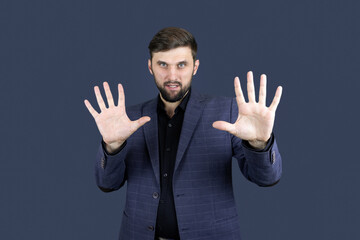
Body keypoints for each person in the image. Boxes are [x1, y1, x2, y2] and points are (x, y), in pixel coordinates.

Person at [84, 27, 283, 240]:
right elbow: (107, 183)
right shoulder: (129, 119)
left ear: (195, 67)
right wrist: (112, 146)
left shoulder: (228, 111)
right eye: (163, 65)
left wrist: (260, 144)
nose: (172, 76)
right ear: (150, 67)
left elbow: (266, 178)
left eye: (181, 65)